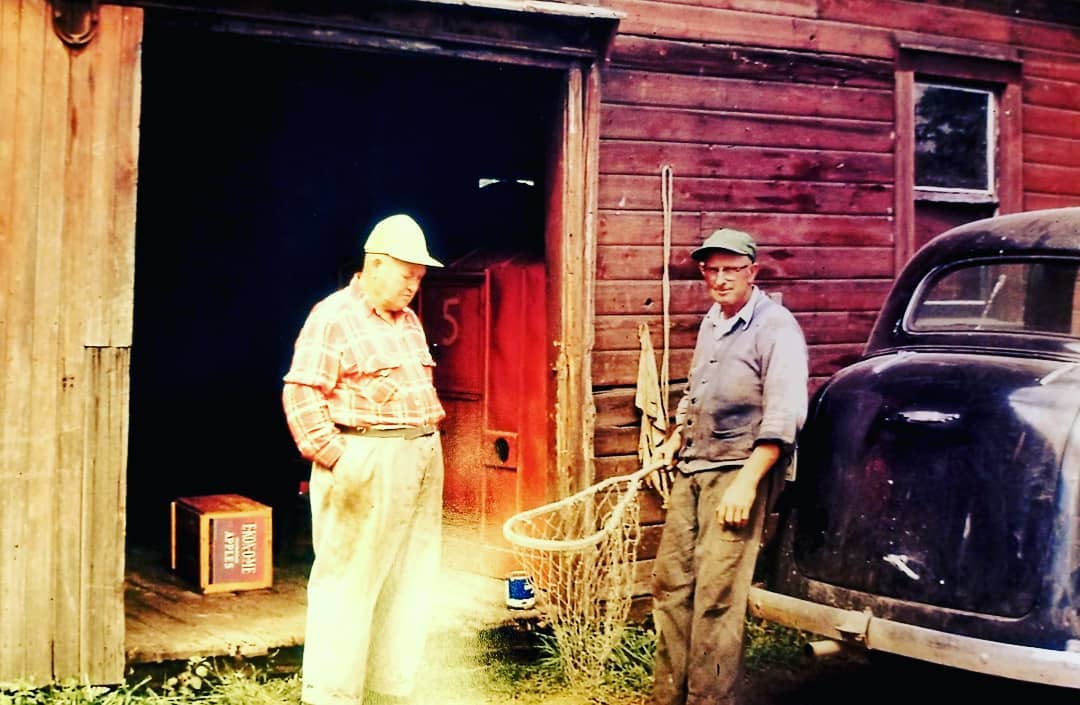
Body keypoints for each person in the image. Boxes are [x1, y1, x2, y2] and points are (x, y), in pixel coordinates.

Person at [281, 213, 447, 705]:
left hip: (419, 456)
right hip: (365, 456)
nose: (413, 286)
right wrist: (339, 458)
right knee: (347, 582)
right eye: (405, 275)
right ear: (374, 265)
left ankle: (389, 688)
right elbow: (301, 394)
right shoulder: (333, 316)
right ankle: (332, 696)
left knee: (412, 577)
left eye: (419, 277)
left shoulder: (410, 322)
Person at [650, 228, 809, 705]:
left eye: (731, 270)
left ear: (752, 272)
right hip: (693, 468)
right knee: (671, 585)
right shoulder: (713, 321)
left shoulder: (776, 327)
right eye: (711, 270)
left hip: (738, 473)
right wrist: (676, 435)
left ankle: (709, 699)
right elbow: (697, 391)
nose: (720, 279)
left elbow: (785, 413)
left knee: (717, 597)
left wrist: (746, 484)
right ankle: (666, 698)